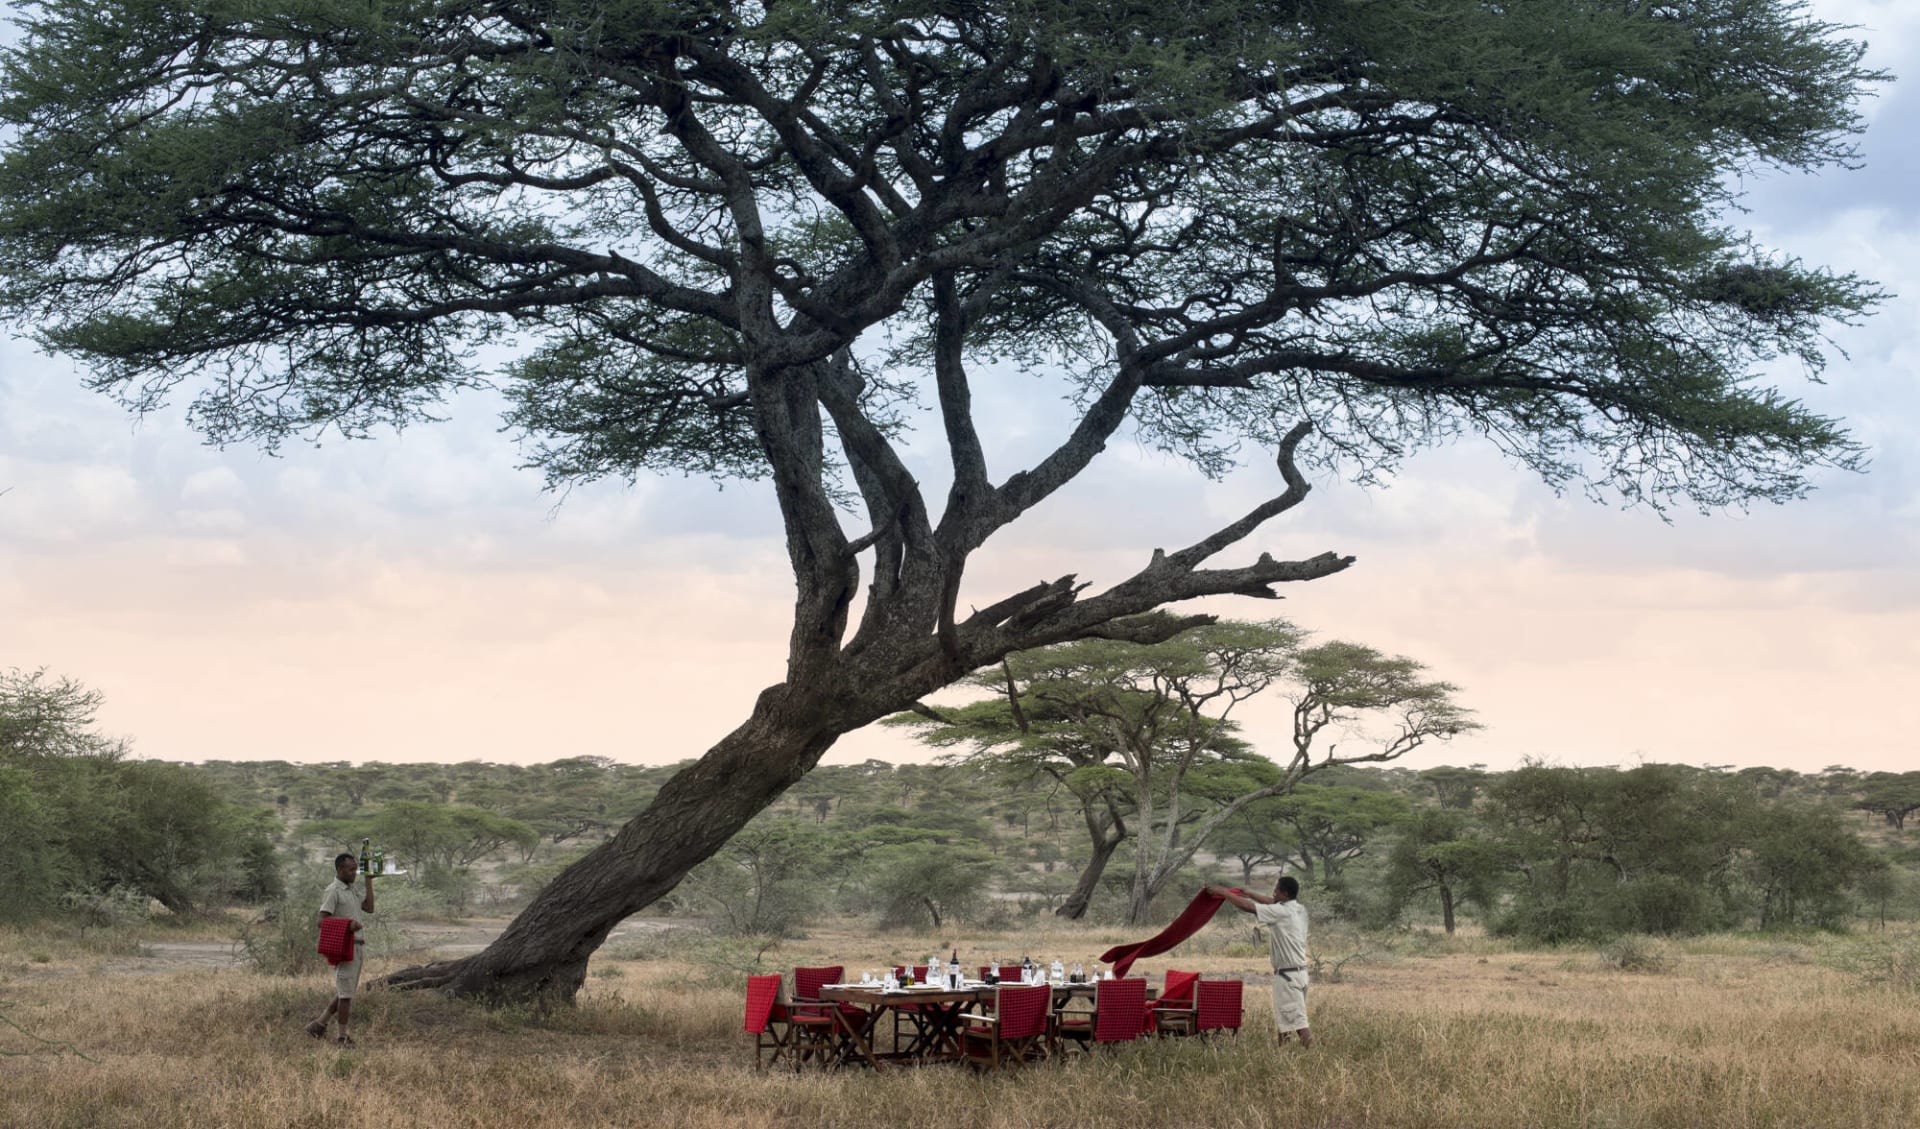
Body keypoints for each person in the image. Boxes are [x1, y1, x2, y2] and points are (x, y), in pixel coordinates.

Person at [1204, 876, 1312, 1048]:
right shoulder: (1299, 909)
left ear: (1284, 894)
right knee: (1285, 1017)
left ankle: (1313, 1056)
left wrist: (1222, 892)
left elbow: (1247, 907)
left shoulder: (1280, 912)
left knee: (1298, 1022)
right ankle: (1283, 1055)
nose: (1273, 893)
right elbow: (1271, 902)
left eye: (1276, 890)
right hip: (1299, 974)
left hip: (1287, 976)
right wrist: (1250, 893)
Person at [307, 852, 375, 1045]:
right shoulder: (333, 891)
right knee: (346, 994)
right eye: (350, 869)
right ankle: (342, 1036)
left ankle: (319, 1025)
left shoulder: (351, 889)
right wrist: (347, 925)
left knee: (346, 990)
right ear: (339, 869)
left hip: (357, 946)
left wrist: (369, 882)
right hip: (346, 947)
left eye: (356, 869)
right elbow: (321, 920)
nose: (354, 873)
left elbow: (369, 908)